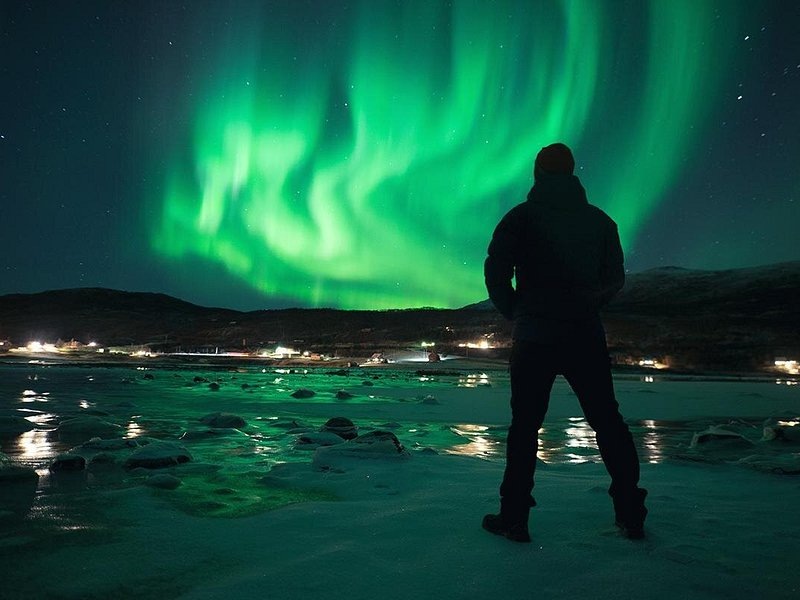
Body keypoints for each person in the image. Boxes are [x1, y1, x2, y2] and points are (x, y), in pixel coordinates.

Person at [482, 142, 647, 542]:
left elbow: (496, 271)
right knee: (608, 422)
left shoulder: (520, 218)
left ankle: (515, 517)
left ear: (538, 173)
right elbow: (615, 279)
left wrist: (516, 312)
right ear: (573, 173)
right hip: (584, 335)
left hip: (535, 337)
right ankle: (630, 512)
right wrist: (587, 304)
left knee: (525, 428)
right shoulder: (600, 222)